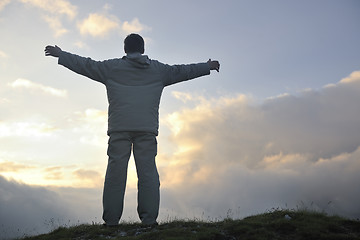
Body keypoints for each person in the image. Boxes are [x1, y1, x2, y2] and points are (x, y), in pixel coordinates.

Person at [45, 33, 220, 226]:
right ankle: (149, 220)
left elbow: (86, 65)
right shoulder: (158, 70)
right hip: (146, 130)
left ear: (125, 49)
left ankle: (111, 222)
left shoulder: (111, 68)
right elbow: (182, 71)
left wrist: (61, 54)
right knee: (148, 174)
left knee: (115, 175)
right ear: (143, 49)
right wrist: (207, 66)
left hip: (119, 129)